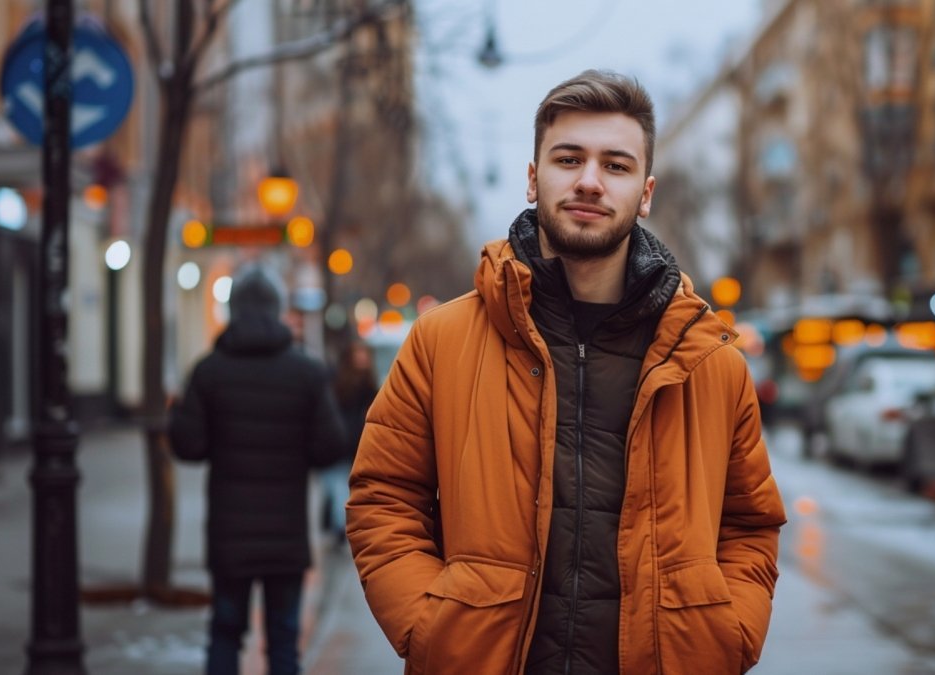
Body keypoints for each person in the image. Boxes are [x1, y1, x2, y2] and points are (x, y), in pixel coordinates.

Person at [346, 69, 786, 674]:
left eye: (616, 165)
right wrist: (433, 628)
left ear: (646, 191)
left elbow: (749, 526)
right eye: (568, 158)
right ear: (533, 178)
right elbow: (383, 498)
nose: (589, 181)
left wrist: (725, 635)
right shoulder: (441, 341)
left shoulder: (712, 363)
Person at [169, 264, 348, 675]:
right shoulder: (306, 373)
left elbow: (188, 446)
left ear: (233, 310)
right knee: (284, 642)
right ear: (278, 310)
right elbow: (331, 447)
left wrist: (181, 412)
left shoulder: (209, 371)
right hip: (285, 538)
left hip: (229, 537)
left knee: (225, 634)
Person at [320, 339, 379, 542]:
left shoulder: (370, 383)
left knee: (347, 491)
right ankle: (340, 529)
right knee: (338, 490)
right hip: (338, 446)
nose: (362, 358)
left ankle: (340, 527)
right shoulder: (336, 381)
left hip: (358, 446)